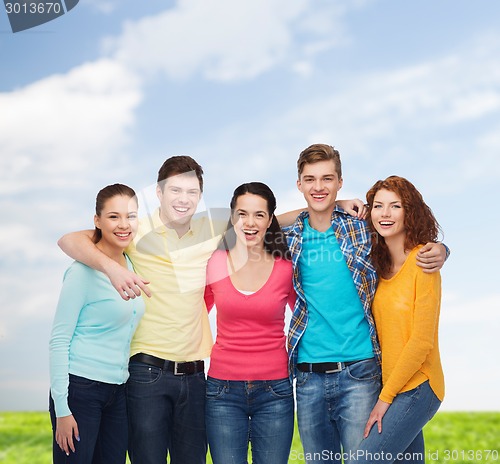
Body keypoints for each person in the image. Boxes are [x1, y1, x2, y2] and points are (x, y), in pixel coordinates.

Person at [57, 154, 368, 464]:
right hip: (147, 370)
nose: (183, 199)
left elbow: (267, 218)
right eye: (174, 190)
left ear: (201, 197)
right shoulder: (135, 230)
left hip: (197, 375)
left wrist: (332, 204)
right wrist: (113, 270)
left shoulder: (212, 233)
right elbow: (70, 240)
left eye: (192, 192)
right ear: (159, 192)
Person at [282, 144, 448, 464]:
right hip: (308, 377)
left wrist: (442, 249)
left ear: (340, 181)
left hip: (361, 373)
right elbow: (241, 228)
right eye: (311, 180)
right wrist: (327, 206)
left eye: (328, 179)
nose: (319, 187)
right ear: (299, 184)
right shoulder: (290, 235)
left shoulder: (361, 227)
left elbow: (407, 236)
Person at [49, 184, 145, 464]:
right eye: (114, 217)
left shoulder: (132, 262)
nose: (124, 225)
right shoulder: (81, 272)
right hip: (80, 391)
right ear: (97, 221)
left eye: (131, 216)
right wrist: (62, 409)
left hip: (118, 391)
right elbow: (58, 340)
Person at [204, 182, 296, 464]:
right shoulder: (214, 262)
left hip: (275, 392)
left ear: (270, 220)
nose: (250, 222)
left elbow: (309, 318)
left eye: (259, 214)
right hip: (221, 392)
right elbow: (192, 313)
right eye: (242, 213)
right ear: (233, 218)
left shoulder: (286, 268)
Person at [355, 176, 444, 464]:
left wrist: (385, 398)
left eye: (395, 206)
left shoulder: (424, 262)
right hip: (392, 385)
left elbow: (421, 342)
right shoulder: (378, 267)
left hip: (418, 386)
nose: (385, 213)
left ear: (410, 212)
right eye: (378, 206)